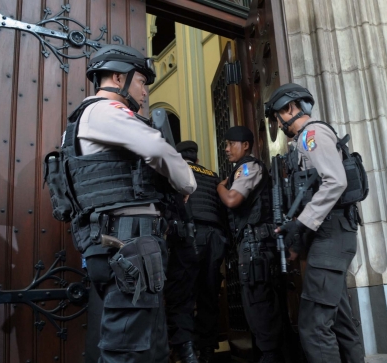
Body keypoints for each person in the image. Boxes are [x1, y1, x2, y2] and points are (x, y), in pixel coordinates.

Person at [60, 44, 196, 363]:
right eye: (142, 82)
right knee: (129, 351)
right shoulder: (104, 110)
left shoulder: (91, 117)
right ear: (119, 77)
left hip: (127, 246)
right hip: (127, 246)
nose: (146, 92)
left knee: (150, 347)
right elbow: (156, 148)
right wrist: (185, 182)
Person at [265, 83, 365, 362]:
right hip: (329, 236)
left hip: (331, 236)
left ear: (289, 108)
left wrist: (301, 224)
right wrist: (298, 237)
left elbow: (335, 181)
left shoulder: (312, 134)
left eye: (277, 116)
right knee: (341, 322)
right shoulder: (303, 142)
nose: (278, 124)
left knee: (313, 326)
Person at [216, 126, 283, 363]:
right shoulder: (241, 169)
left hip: (257, 247)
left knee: (260, 305)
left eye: (230, 143)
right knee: (255, 306)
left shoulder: (248, 167)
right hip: (253, 245)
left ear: (245, 145)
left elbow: (232, 200)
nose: (226, 148)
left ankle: (270, 356)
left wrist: (220, 187)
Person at [164, 141, 228, 363]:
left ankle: (188, 354)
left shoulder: (175, 171)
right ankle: (208, 352)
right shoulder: (212, 175)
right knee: (209, 295)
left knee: (181, 296)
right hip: (215, 239)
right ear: (197, 159)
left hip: (188, 238)